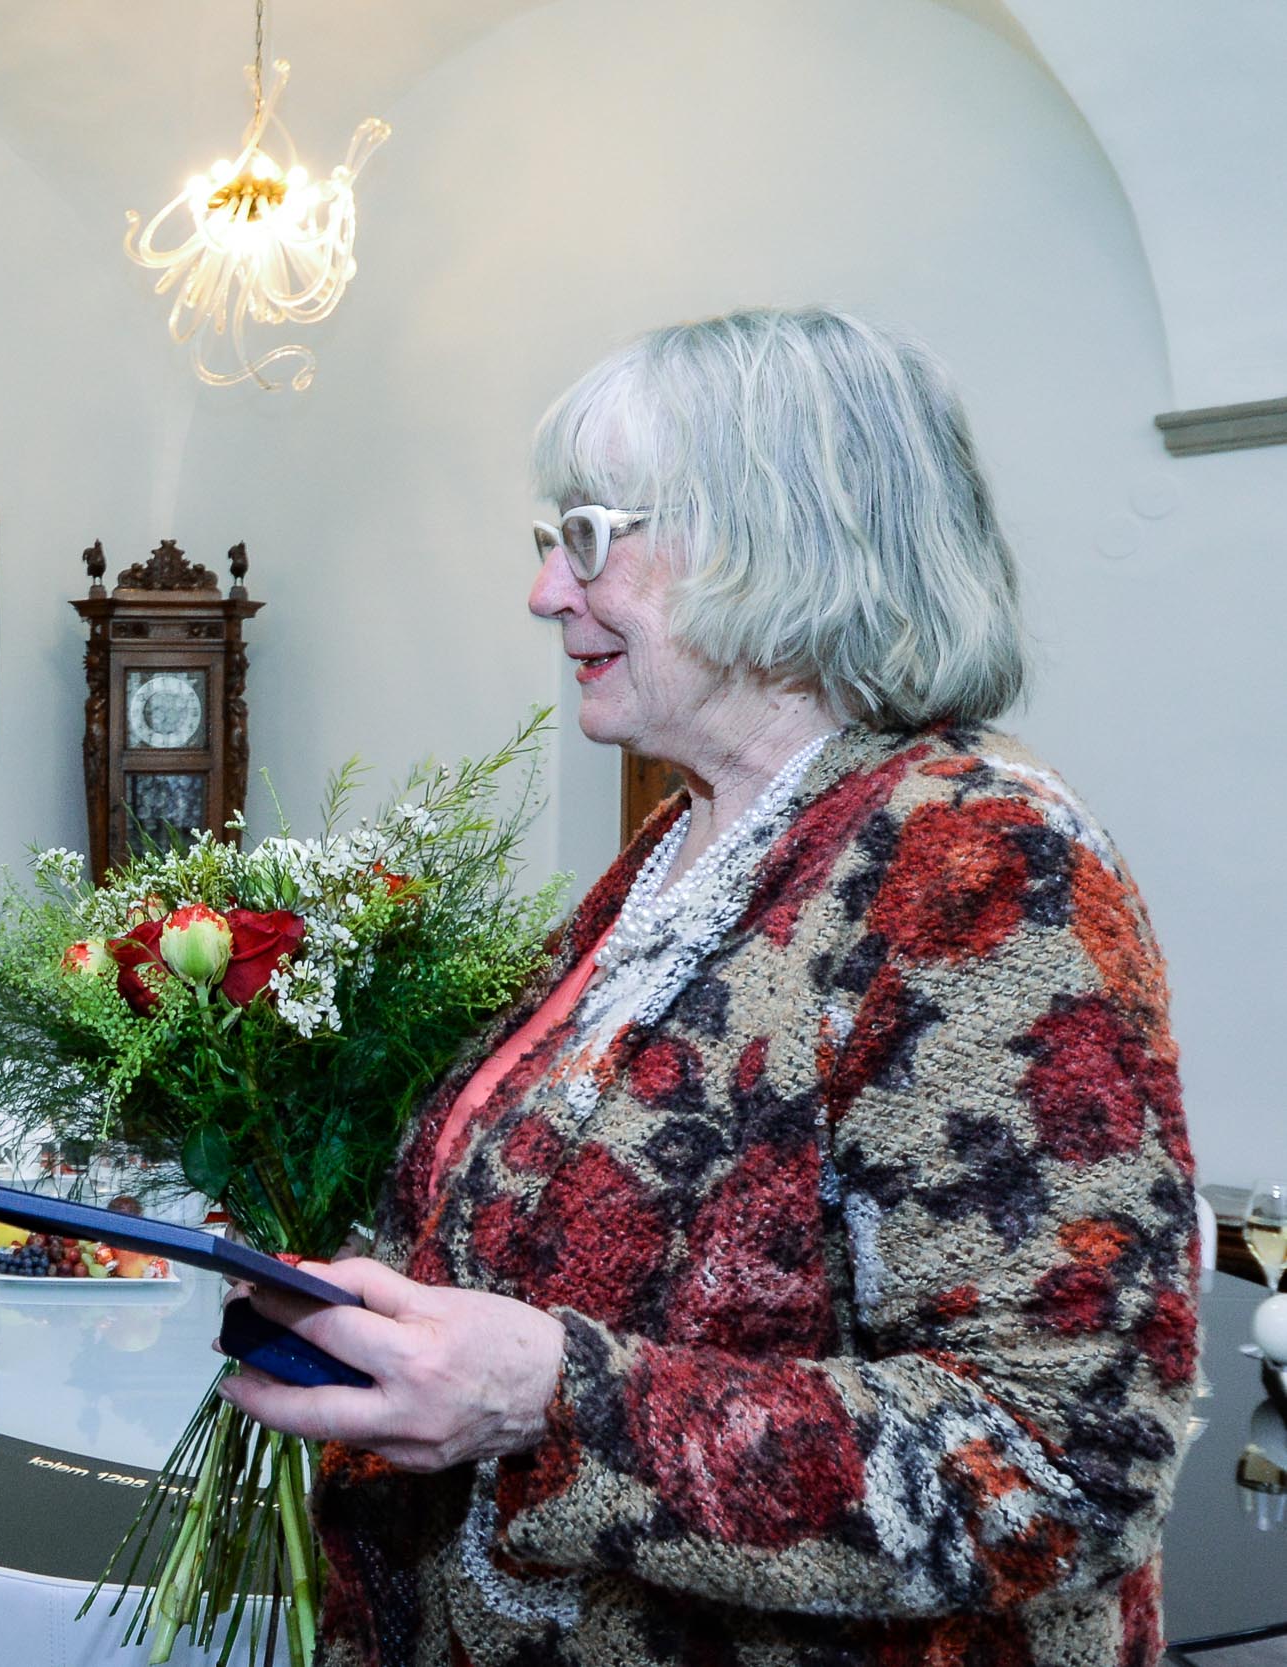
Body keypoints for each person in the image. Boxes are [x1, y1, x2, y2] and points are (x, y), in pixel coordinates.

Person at [225, 308, 1197, 1667]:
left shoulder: (981, 860)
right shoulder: (682, 844)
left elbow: (1063, 1455)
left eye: (588, 537)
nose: (546, 592)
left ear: (779, 543)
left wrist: (553, 1399)